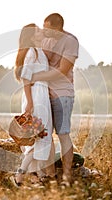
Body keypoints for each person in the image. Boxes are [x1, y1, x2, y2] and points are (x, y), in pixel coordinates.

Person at [31, 13, 79, 184]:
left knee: (63, 134)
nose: (44, 31)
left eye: (47, 27)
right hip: (44, 95)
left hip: (62, 94)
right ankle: (50, 174)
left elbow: (63, 70)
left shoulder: (70, 41)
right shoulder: (45, 40)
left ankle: (67, 175)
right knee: (45, 135)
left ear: (57, 27)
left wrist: (36, 77)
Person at [10, 23, 55, 187]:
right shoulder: (32, 53)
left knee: (43, 136)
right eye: (37, 31)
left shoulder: (40, 52)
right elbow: (26, 79)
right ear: (31, 36)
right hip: (35, 95)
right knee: (38, 136)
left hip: (42, 95)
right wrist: (29, 102)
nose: (41, 32)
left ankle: (40, 176)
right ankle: (19, 175)